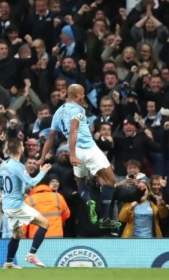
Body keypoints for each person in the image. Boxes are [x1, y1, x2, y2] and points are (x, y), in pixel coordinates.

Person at [37, 84, 119, 229]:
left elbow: (50, 137)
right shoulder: (78, 109)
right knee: (111, 180)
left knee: (81, 181)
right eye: (82, 94)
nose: (83, 97)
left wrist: (42, 158)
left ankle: (88, 202)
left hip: (74, 149)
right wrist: (73, 156)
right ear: (75, 96)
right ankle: (105, 218)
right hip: (88, 148)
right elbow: (74, 130)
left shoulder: (58, 112)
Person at [0, 138, 51, 269]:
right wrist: (43, 171)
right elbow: (31, 183)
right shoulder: (18, 166)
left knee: (17, 234)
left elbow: (0, 184)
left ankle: (9, 263)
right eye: (22, 146)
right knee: (44, 223)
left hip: (7, 206)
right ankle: (31, 254)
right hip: (16, 206)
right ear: (19, 149)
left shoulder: (2, 165)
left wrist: (16, 191)